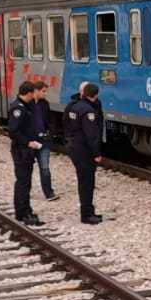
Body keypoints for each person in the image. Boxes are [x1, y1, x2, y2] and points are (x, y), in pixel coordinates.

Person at [64, 81, 105, 224]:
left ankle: (88, 211)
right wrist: (96, 154)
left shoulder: (73, 106)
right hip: (84, 151)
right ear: (96, 95)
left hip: (75, 147)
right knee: (87, 182)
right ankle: (87, 215)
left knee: (84, 181)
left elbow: (66, 125)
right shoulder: (88, 111)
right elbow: (91, 135)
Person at [7, 80, 45, 225]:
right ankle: (22, 213)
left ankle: (25, 209)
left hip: (26, 150)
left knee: (26, 181)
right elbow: (13, 131)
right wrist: (27, 142)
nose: (34, 95)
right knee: (23, 182)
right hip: (21, 150)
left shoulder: (25, 106)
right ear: (29, 93)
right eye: (33, 93)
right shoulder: (19, 108)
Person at [29, 80, 58, 201]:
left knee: (45, 168)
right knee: (27, 169)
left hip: (43, 140)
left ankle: (49, 193)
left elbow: (49, 120)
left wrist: (50, 133)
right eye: (43, 91)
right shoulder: (26, 104)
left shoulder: (44, 104)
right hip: (30, 142)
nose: (45, 94)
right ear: (36, 91)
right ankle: (26, 191)